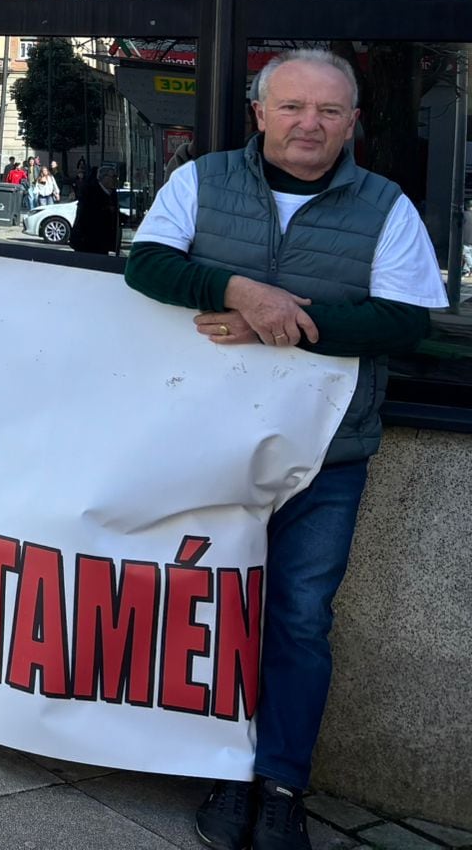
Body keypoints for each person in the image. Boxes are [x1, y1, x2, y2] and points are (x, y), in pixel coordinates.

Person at [123, 51, 445, 850]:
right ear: (259, 113)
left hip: (328, 454)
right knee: (208, 609)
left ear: (353, 121)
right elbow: (148, 264)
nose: (311, 124)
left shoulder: (386, 205)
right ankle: (222, 773)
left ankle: (281, 785)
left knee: (300, 620)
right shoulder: (201, 181)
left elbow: (404, 323)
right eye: (294, 106)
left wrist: (284, 326)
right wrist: (239, 291)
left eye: (330, 111)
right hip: (205, 444)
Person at [70, 165, 121, 255]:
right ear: (103, 178)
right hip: (88, 241)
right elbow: (87, 215)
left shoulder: (113, 194)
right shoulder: (90, 191)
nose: (115, 179)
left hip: (104, 242)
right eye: (113, 177)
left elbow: (114, 213)